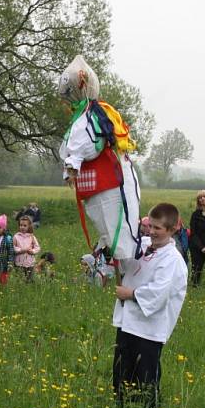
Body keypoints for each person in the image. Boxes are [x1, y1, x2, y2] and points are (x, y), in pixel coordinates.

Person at [59, 55, 141, 261]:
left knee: (121, 232)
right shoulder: (92, 115)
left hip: (110, 183)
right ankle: (119, 272)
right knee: (114, 233)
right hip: (104, 184)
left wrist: (71, 169)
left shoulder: (90, 117)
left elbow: (83, 147)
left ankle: (128, 277)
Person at [112, 202, 187, 408]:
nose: (151, 231)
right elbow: (127, 262)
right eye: (150, 226)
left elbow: (158, 294)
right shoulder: (143, 245)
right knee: (121, 374)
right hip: (127, 323)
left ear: (172, 230)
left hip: (149, 330)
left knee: (145, 378)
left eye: (157, 228)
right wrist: (114, 247)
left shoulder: (172, 260)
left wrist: (130, 293)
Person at [13, 215, 40, 282]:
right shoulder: (16, 236)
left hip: (30, 262)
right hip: (19, 262)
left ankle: (30, 288)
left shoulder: (32, 236)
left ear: (29, 226)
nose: (22, 227)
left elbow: (37, 247)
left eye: (25, 226)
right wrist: (21, 250)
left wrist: (33, 251)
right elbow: (13, 247)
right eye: (21, 225)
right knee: (20, 279)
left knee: (30, 279)